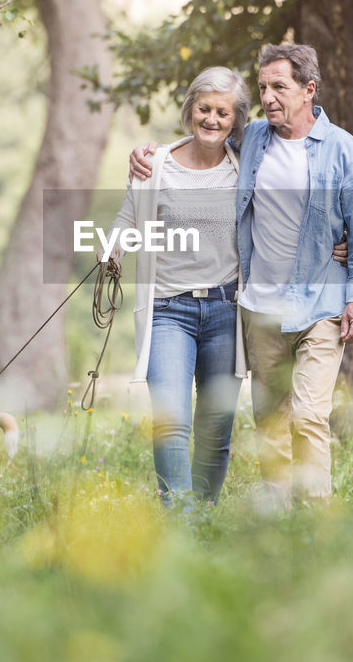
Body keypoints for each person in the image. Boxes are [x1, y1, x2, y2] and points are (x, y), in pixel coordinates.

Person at [131, 44, 353, 505]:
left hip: (319, 304)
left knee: (307, 417)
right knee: (270, 425)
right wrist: (149, 153)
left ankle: (318, 523)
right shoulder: (255, 140)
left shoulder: (345, 152)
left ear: (309, 90)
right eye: (263, 87)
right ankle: (281, 527)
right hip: (259, 309)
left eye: (279, 87)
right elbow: (205, 138)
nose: (268, 97)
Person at [109, 66, 249, 507]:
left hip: (227, 311)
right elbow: (129, 220)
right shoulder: (156, 163)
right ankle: (180, 520)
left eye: (222, 112)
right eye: (204, 109)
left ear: (235, 119)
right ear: (190, 110)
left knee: (215, 426)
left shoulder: (246, 166)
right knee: (171, 421)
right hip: (169, 310)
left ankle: (205, 513)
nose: (211, 119)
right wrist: (111, 249)